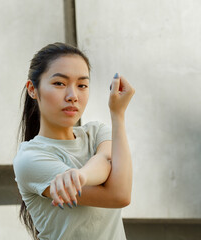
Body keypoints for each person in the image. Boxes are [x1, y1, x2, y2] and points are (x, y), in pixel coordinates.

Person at [13, 42, 135, 240]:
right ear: (32, 89)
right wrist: (87, 174)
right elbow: (119, 195)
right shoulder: (30, 159)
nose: (73, 96)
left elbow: (105, 158)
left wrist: (118, 114)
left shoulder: (96, 132)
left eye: (82, 85)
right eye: (59, 83)